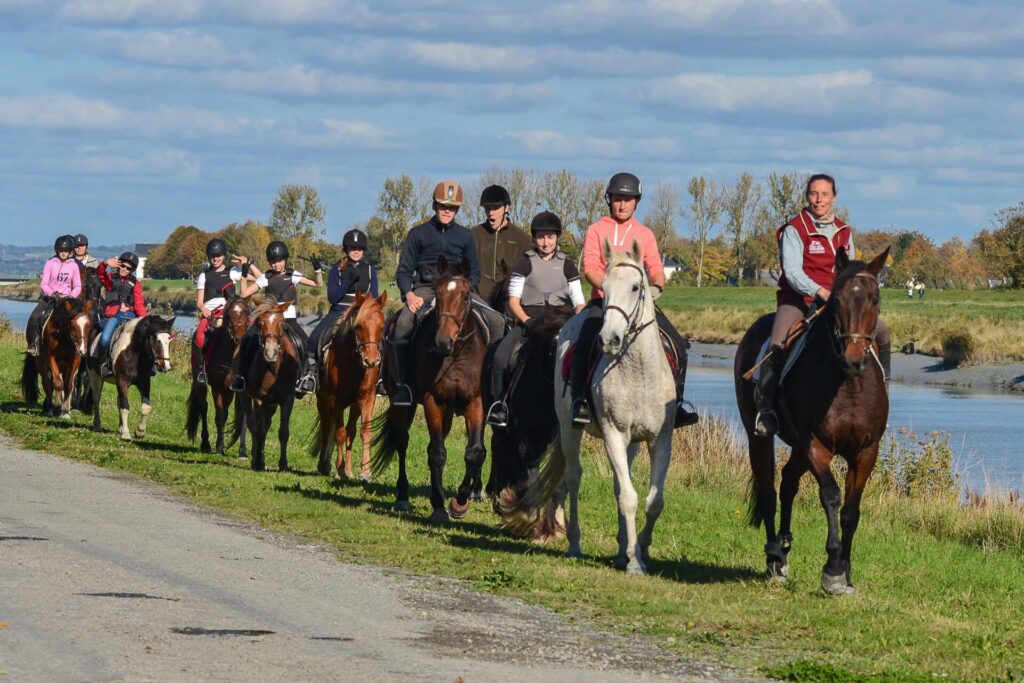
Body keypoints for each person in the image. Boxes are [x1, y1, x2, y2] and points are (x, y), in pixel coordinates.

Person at [753, 173, 892, 437]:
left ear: (834, 198)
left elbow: (852, 271)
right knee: (777, 343)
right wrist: (820, 291)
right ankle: (767, 408)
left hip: (836, 303)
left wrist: (846, 294)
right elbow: (792, 272)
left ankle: (883, 393)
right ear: (807, 197)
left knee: (882, 333)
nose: (819, 200)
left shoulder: (843, 231)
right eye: (814, 194)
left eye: (824, 195)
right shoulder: (795, 229)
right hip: (798, 300)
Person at [568, 172, 699, 429]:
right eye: (617, 199)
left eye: (628, 200)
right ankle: (579, 401)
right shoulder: (597, 230)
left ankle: (678, 404)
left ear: (636, 202)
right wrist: (607, 288)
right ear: (610, 200)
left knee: (679, 346)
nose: (622, 204)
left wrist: (656, 287)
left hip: (639, 306)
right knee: (584, 342)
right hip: (605, 303)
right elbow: (590, 267)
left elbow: (655, 268)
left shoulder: (644, 233)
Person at [389, 179, 505, 407]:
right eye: (443, 206)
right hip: (426, 289)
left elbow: (475, 271)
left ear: (457, 209)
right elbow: (404, 271)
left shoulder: (464, 236)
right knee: (402, 325)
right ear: (434, 206)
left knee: (498, 321)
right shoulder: (418, 234)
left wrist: (465, 288)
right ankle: (403, 384)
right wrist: (409, 295)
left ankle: (492, 388)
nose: (447, 211)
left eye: (451, 207)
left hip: (459, 291)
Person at [485, 211, 585, 427]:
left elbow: (579, 303)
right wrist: (527, 322)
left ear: (557, 238)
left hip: (562, 321)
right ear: (534, 238)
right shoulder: (524, 262)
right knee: (501, 356)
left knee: (582, 356)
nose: (546, 242)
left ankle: (579, 402)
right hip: (529, 320)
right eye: (541, 237)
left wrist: (575, 324)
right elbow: (513, 301)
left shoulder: (568, 265)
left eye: (550, 237)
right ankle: (499, 404)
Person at [229, 240, 323, 393]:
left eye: (279, 261)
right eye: (272, 261)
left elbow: (318, 284)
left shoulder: (293, 275)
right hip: (268, 319)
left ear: (285, 260)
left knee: (306, 343)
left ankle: (306, 377)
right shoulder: (266, 277)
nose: (275, 264)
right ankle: (240, 376)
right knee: (246, 341)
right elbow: (245, 293)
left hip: (289, 319)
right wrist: (245, 275)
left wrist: (317, 270)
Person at [295, 228, 378, 395]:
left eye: (360, 249)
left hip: (363, 313)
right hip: (340, 310)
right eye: (353, 248)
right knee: (315, 337)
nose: (356, 251)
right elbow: (333, 297)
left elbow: (374, 296)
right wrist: (348, 281)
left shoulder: (370, 270)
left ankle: (381, 379)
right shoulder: (336, 269)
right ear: (346, 249)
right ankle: (309, 375)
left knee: (380, 338)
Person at [192, 238, 247, 385]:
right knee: (199, 336)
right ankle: (202, 370)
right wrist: (205, 311)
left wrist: (245, 265)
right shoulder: (204, 276)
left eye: (218, 255)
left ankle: (247, 370)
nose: (215, 258)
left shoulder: (233, 272)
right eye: (212, 256)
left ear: (224, 256)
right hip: (211, 312)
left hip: (230, 311)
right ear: (209, 257)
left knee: (248, 333)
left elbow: (258, 277)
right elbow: (199, 301)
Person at [471, 184, 532, 306]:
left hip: (509, 304)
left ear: (507, 208)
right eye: (487, 209)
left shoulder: (523, 239)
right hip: (477, 301)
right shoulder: (473, 235)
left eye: (495, 208)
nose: (491, 213)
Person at [27, 234, 83, 355]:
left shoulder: (74, 266)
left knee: (81, 320)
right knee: (35, 317)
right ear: (57, 250)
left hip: (67, 300)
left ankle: (80, 346)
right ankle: (34, 344)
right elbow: (44, 284)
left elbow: (78, 286)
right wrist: (52, 294)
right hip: (50, 299)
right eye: (61, 250)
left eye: (66, 250)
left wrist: (71, 296)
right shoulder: (50, 263)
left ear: (70, 251)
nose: (63, 253)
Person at [96, 251, 147, 377]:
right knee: (105, 339)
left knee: (144, 337)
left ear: (132, 270)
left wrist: (144, 320)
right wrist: (105, 264)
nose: (124, 269)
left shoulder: (135, 283)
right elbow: (100, 274)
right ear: (118, 265)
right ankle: (104, 364)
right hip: (113, 316)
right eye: (122, 266)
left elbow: (139, 303)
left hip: (130, 315)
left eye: (128, 268)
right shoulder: (110, 279)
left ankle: (147, 366)